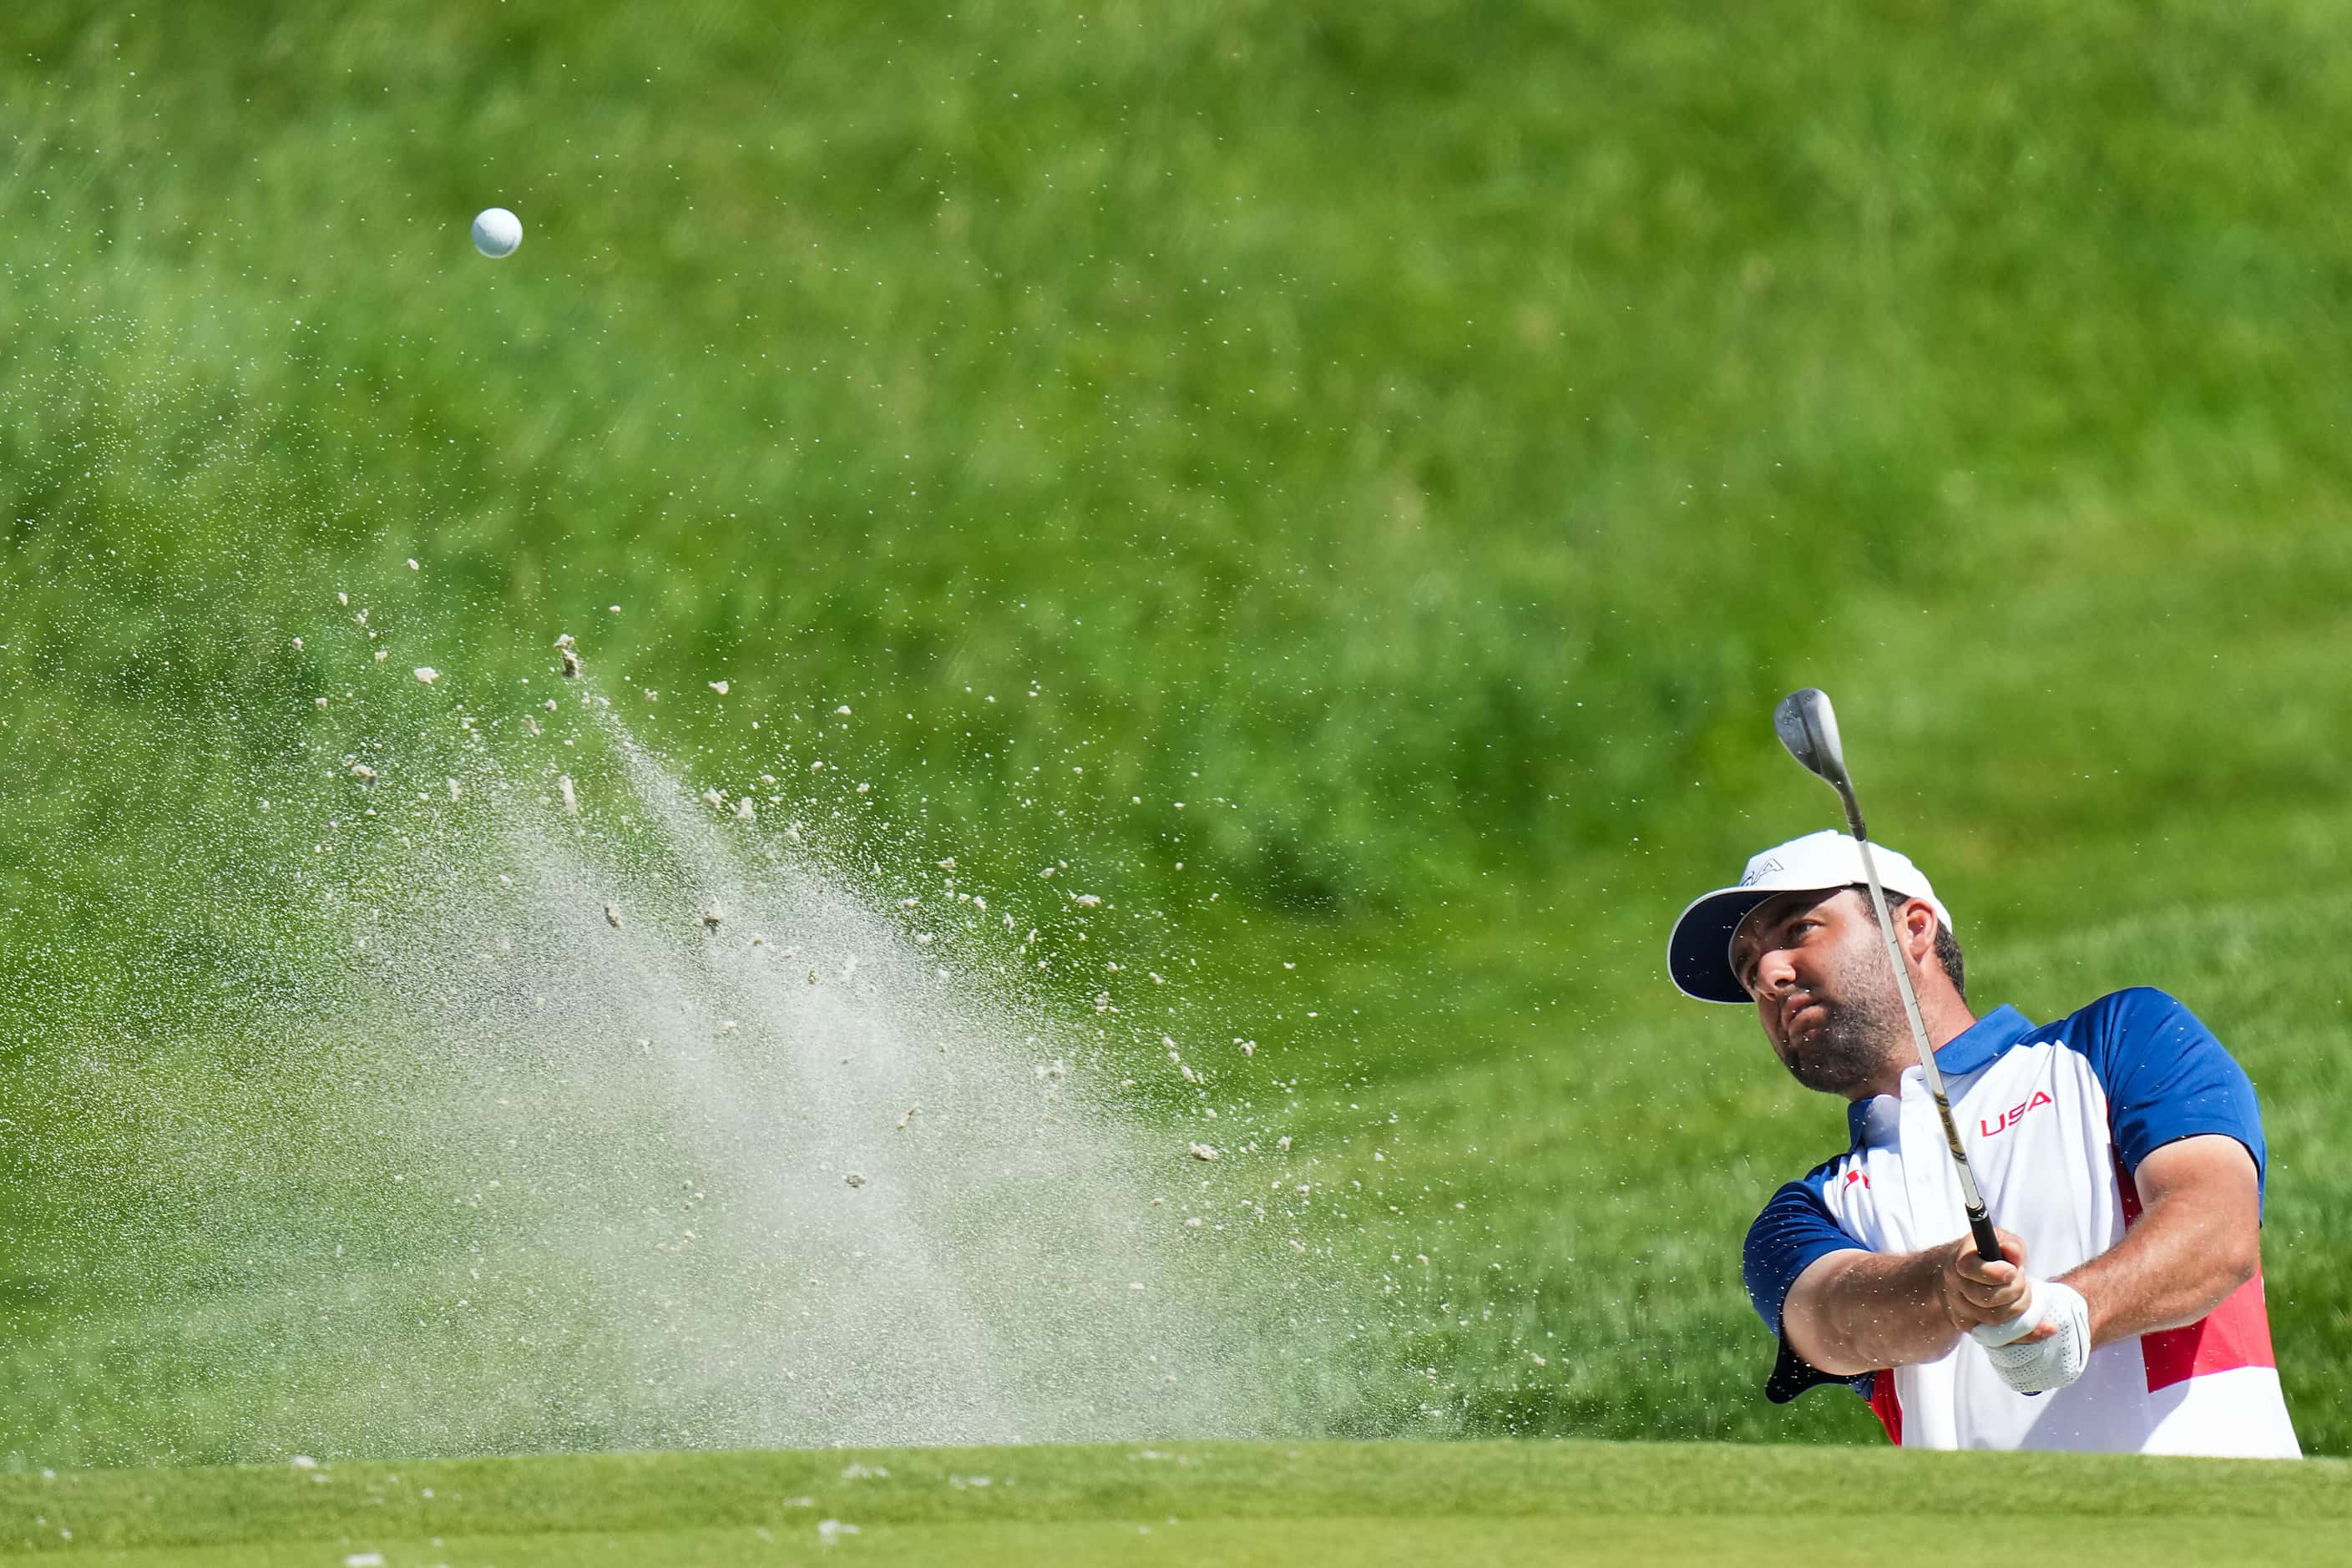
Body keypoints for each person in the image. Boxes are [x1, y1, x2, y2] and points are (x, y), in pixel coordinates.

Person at [1667, 828, 2300, 1456]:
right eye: (1749, 970)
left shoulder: (2118, 1039)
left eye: (1798, 930)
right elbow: (1829, 1322)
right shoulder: (1804, 1213)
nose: (1768, 975)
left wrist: (2070, 1311)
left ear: (1912, 928)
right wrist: (1946, 1289)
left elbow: (2216, 1228)